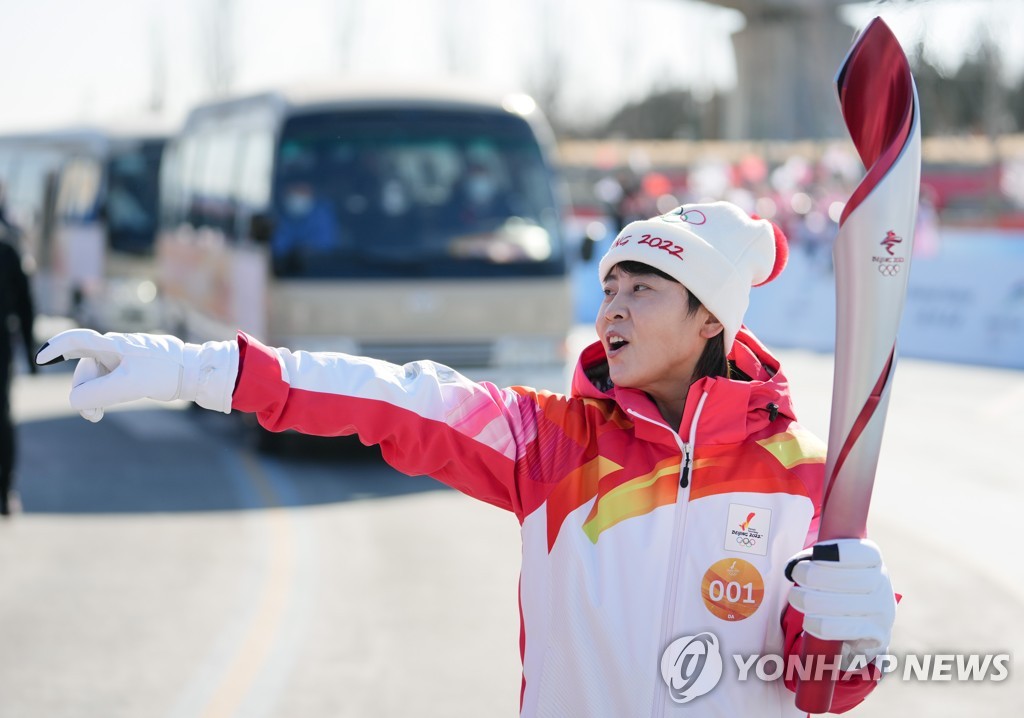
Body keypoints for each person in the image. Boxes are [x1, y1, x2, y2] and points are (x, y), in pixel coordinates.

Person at [36, 202, 897, 716]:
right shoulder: (552, 442)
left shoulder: (803, 474)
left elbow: (818, 690)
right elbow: (390, 397)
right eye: (608, 290)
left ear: (712, 319)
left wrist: (853, 633)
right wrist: (199, 367)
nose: (614, 312)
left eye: (643, 289)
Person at [1, 229, 37, 516]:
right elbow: (26, 305)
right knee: (2, 416)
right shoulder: (8, 248)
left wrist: (31, 353)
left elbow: (25, 305)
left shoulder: (8, 250)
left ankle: (5, 490)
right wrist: (30, 353)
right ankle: (6, 492)